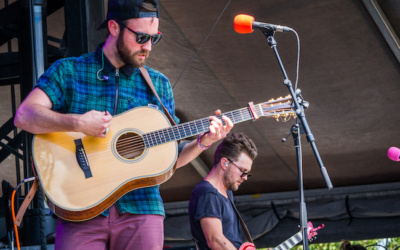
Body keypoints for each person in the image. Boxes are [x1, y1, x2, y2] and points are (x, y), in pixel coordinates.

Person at [14, 0, 233, 249]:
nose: (148, 46)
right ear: (114, 28)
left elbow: (169, 161)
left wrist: (202, 143)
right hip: (82, 206)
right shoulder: (69, 71)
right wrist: (78, 122)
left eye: (154, 38)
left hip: (142, 207)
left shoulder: (159, 85)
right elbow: (25, 115)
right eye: (141, 37)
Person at [189, 132, 258, 250]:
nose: (245, 177)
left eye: (247, 173)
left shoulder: (227, 193)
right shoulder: (208, 193)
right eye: (243, 170)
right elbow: (216, 241)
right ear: (225, 163)